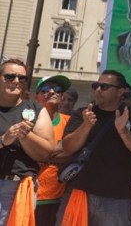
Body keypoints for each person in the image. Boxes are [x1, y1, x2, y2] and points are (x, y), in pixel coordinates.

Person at [60, 69, 131, 226]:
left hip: (115, 201)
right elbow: (68, 147)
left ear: (120, 91)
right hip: (80, 193)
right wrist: (86, 126)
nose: (98, 90)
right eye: (96, 86)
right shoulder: (83, 113)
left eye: (104, 87)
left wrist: (124, 132)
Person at [0, 59, 54, 224]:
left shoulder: (36, 110)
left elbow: (46, 152)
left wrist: (26, 135)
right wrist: (3, 140)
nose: (16, 81)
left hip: (18, 188)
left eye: (22, 78)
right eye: (10, 77)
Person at [33, 74, 73, 226]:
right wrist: (57, 152)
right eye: (45, 89)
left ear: (62, 96)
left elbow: (72, 154)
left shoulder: (70, 122)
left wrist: (42, 155)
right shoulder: (27, 120)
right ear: (36, 97)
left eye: (57, 89)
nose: (51, 92)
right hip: (28, 194)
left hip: (58, 198)